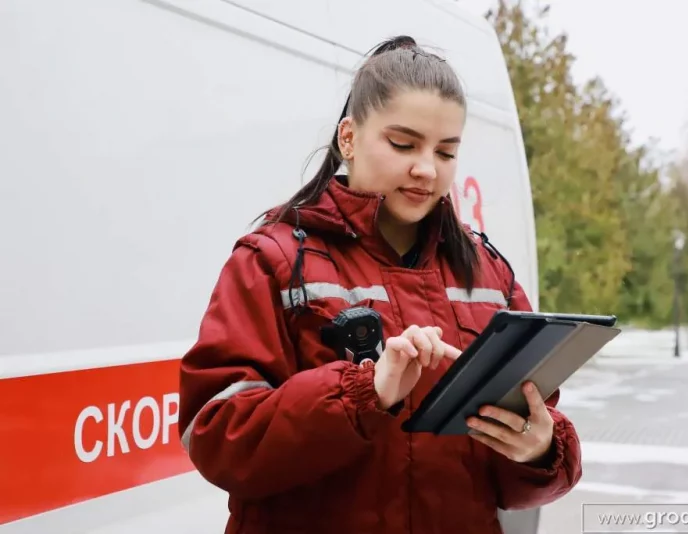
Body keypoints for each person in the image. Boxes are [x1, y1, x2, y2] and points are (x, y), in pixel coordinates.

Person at [178, 36, 582, 534]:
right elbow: (217, 435)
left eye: (446, 151)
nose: (427, 169)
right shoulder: (272, 260)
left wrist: (538, 450)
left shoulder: (488, 274)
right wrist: (363, 393)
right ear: (348, 137)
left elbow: (529, 447)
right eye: (403, 144)